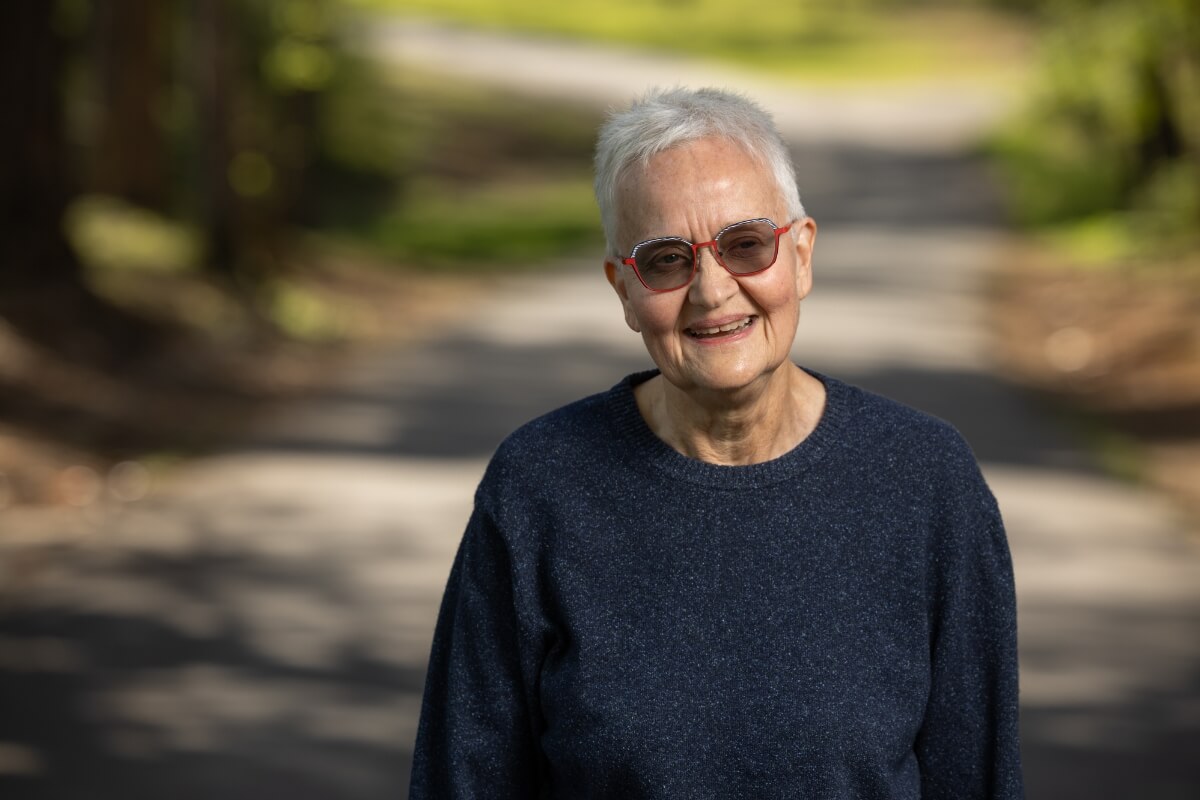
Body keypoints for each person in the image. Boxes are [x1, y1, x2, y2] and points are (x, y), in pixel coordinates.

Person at [409, 87, 1022, 799]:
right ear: (623, 290)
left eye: (745, 245)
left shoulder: (926, 484)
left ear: (800, 255)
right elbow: (461, 780)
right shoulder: (539, 487)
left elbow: (978, 780)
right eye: (667, 259)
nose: (711, 289)